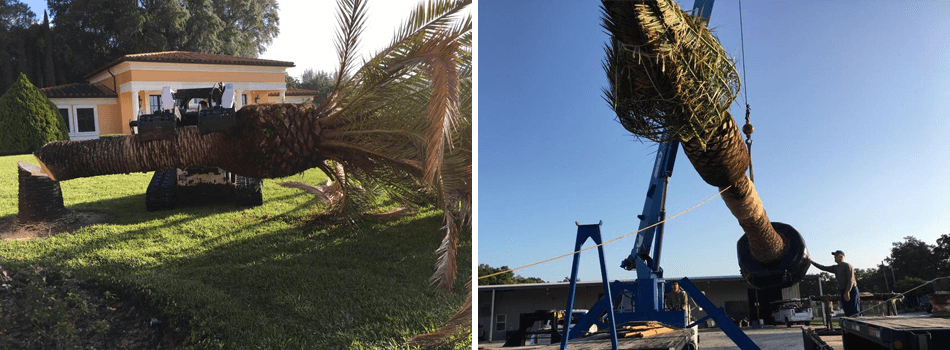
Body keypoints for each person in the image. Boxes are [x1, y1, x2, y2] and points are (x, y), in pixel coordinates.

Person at [812, 250, 861, 316]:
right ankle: (849, 325)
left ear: (841, 257)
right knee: (847, 311)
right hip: (843, 290)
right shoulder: (835, 268)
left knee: (854, 311)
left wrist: (847, 292)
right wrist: (811, 262)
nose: (834, 258)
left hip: (851, 290)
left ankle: (856, 325)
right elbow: (823, 267)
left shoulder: (848, 266)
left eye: (836, 256)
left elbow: (851, 281)